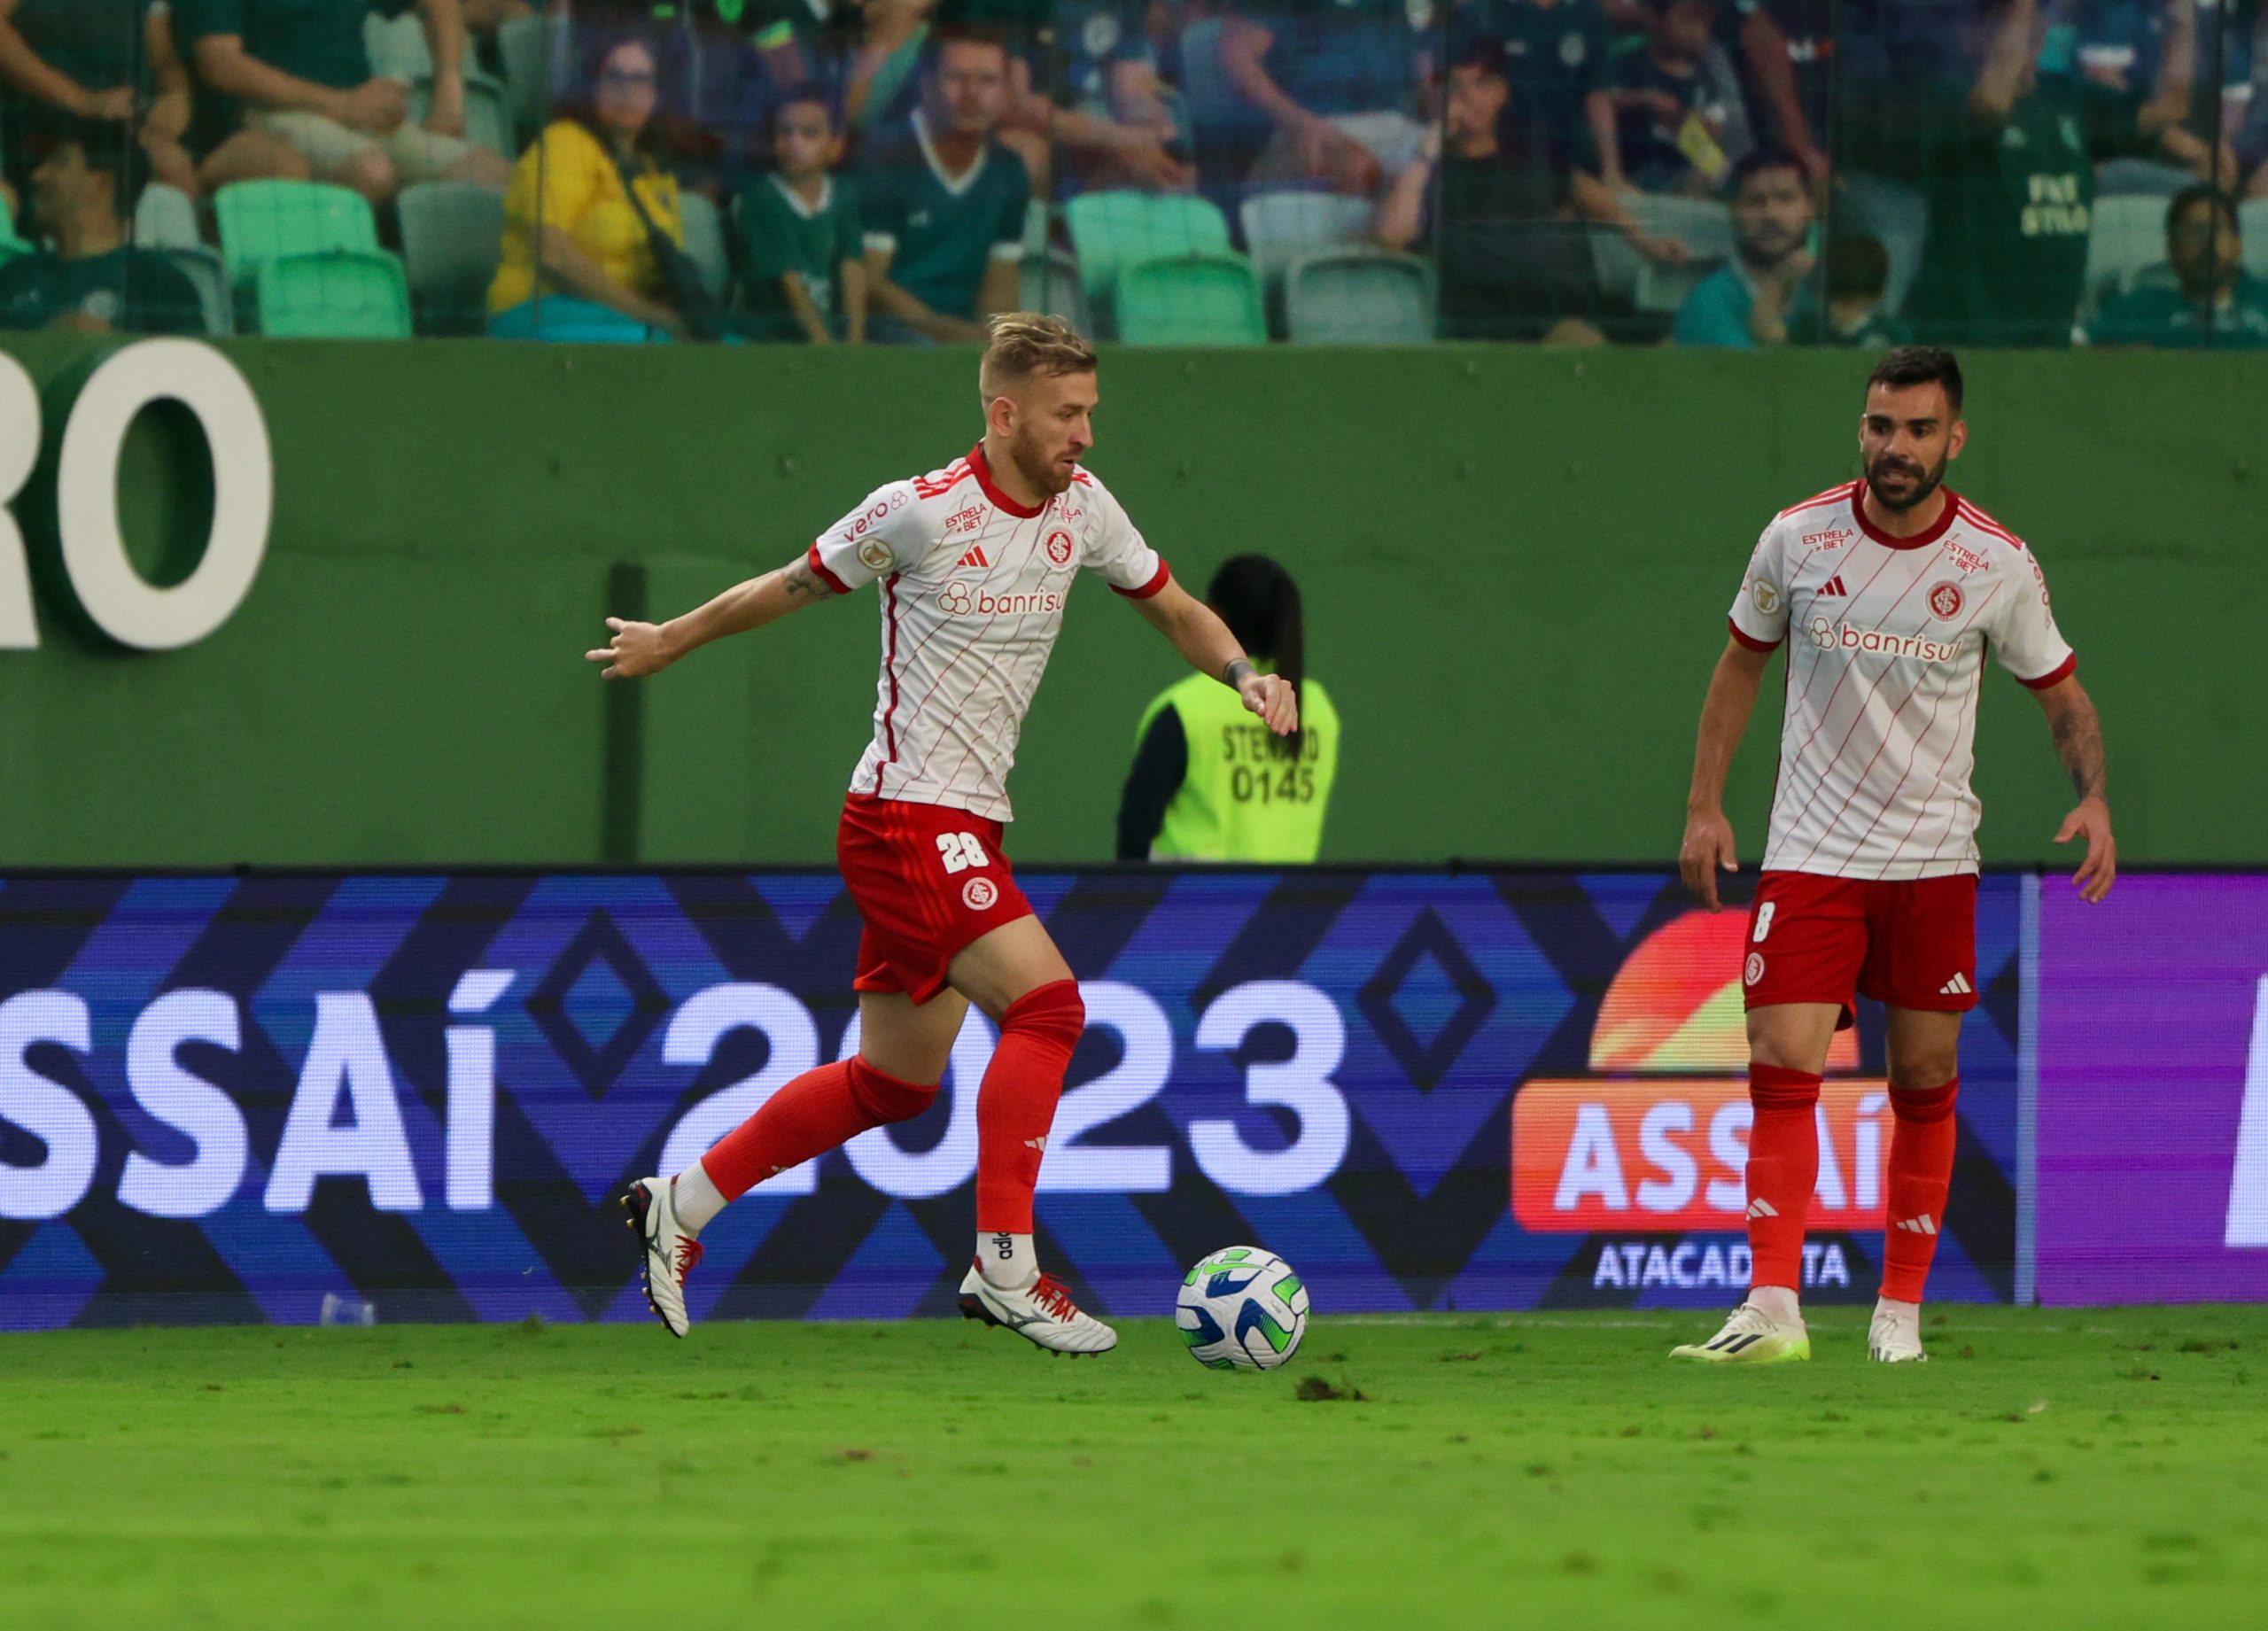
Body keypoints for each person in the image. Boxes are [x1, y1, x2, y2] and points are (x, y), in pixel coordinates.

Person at [588, 313, 1300, 1355]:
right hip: (904, 816)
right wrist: (672, 639)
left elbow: (1176, 606)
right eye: (1067, 415)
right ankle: (1004, 1265)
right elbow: (783, 585)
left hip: (964, 823)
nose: (1086, 436)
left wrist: (1245, 670)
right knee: (1050, 1010)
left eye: (1092, 412)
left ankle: (678, 1205)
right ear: (1003, 412)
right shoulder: (916, 512)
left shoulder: (1085, 509)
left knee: (895, 1082)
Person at [1674, 346, 2117, 1366]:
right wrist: (1704, 804)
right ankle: (1772, 1305)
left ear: (1953, 439)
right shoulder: (1796, 538)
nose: (1896, 447)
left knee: (1923, 1072)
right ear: (1860, 430)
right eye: (1881, 426)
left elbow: (2060, 695)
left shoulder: (1995, 562)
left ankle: (1898, 1312)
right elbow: (1739, 667)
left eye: (1919, 430)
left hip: (1930, 858)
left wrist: (2090, 795)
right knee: (1780, 1057)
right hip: (1810, 851)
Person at [1903, 0, 2183, 348]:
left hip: (2050, 336)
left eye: (2036, 27)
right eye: (2009, 25)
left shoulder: (2068, 97)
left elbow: (2170, 105)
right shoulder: (1948, 95)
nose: (2028, 34)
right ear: (1972, 37)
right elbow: (1990, 106)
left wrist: (2182, 14)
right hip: (1966, 335)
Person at [1376, 35, 1681, 342]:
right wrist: (1432, 143)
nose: (1467, 97)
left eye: (1481, 84)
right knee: (1580, 341)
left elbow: (1579, 187)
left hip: (1568, 299)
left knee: (1675, 340)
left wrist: (1645, 241)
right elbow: (1392, 235)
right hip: (1499, 321)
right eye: (1454, 87)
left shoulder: (1527, 149)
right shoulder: (1426, 172)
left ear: (1501, 92)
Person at [1117, 555, 1340, 863]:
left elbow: (1136, 827)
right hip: (1289, 903)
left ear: (1213, 616)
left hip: (1191, 903)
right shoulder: (1319, 711)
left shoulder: (1185, 708)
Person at [177, 0, 513, 202]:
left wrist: (449, 91)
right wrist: (341, 105)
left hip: (365, 116)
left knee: (495, 175)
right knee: (372, 172)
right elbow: (220, 64)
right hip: (272, 115)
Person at [488, 29, 689, 341]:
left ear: (655, 96)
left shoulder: (656, 175)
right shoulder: (562, 143)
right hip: (539, 308)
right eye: (614, 77)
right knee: (659, 349)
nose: (627, 91)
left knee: (731, 353)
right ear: (592, 87)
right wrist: (652, 316)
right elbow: (554, 256)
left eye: (640, 80)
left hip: (620, 319)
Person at [860, 27, 1028, 345]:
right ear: (927, 87)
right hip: (890, 336)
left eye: (988, 81)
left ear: (1005, 92)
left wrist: (999, 339)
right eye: (956, 78)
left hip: (961, 337)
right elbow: (870, 282)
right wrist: (946, 332)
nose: (972, 93)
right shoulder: (887, 154)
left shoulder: (1009, 170)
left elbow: (1000, 286)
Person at [0, 0, 235, 198]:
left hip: (129, 128)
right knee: (170, 167)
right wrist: (80, 100)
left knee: (175, 167)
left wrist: (175, 97)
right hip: (47, 133)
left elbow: (162, 56)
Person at [0, 116, 203, 333]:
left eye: (59, 162)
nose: (38, 175)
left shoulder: (156, 283)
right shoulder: (13, 277)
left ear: (100, 183)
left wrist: (107, 346)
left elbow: (185, 363)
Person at [1218, 0, 1434, 195]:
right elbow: (1236, 58)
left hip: (1391, 133)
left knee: (1444, 168)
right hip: (1303, 131)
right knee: (1360, 170)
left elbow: (1426, 78)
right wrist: (1302, 124)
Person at [735, 83, 866, 344]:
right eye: (785, 132)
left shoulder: (844, 192)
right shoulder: (762, 197)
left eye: (810, 134)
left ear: (834, 145)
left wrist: (855, 343)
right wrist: (827, 353)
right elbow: (790, 283)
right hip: (774, 339)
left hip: (833, 331)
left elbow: (852, 265)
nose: (794, 143)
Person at [2087, 183, 2268, 347]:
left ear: (2238, 244)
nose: (2207, 242)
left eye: (2217, 229)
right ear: (2171, 247)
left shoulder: (2262, 302)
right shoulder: (2134, 311)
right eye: (2192, 231)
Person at [1672, 144, 1814, 345]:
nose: (1770, 214)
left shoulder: (1833, 290)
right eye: (1755, 201)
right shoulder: (1706, 305)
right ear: (1733, 212)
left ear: (1810, 208)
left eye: (1785, 198)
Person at [1606, 0, 1752, 195]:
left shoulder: (1705, 76)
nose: (1695, 30)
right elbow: (1603, 101)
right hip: (1638, 162)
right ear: (1653, 18)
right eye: (1686, 20)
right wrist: (1647, 100)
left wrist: (1685, 119)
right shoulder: (1633, 62)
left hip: (1684, 162)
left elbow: (1717, 125)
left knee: (1717, 169)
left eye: (1704, 22)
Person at [1818, 231, 1908, 347]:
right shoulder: (1809, 331)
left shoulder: (1893, 336)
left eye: (1847, 302)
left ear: (1876, 297)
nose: (1836, 309)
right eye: (1833, 299)